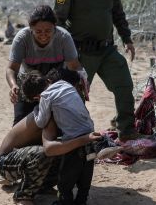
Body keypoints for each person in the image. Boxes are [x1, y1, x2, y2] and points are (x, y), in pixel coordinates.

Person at [53, 0, 138, 141]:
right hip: (81, 55)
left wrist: (127, 39)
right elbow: (58, 22)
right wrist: (69, 50)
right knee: (76, 96)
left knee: (124, 85)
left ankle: (127, 131)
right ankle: (76, 136)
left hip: (107, 50)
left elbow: (118, 14)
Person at [22, 70, 121, 205]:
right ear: (48, 81)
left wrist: (37, 109)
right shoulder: (65, 84)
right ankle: (82, 200)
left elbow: (41, 122)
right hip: (89, 130)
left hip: (74, 140)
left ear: (36, 97)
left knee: (65, 179)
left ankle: (65, 202)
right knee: (86, 174)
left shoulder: (45, 96)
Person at [0, 113, 101, 205]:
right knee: (42, 153)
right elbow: (48, 149)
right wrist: (84, 139)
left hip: (26, 159)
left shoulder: (71, 113)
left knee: (72, 153)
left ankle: (41, 187)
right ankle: (23, 195)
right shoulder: (49, 113)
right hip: (6, 163)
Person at [6, 5, 84, 125]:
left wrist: (82, 83)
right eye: (38, 31)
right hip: (28, 86)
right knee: (20, 125)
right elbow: (11, 68)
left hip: (53, 86)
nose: (43, 35)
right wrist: (13, 86)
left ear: (55, 27)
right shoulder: (22, 38)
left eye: (48, 31)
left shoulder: (64, 37)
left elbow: (75, 67)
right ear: (31, 28)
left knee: (64, 123)